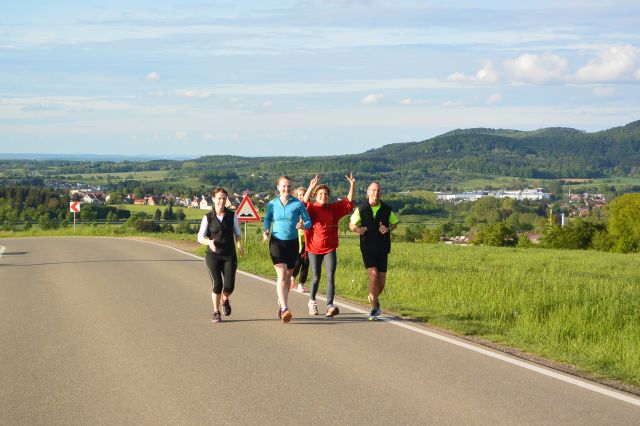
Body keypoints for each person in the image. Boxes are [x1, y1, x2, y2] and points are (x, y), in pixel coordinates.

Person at [303, 173, 355, 317]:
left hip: (330, 248)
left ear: (328, 196)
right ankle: (312, 302)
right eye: (320, 194)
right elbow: (303, 203)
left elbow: (348, 202)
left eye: (325, 194)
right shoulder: (311, 209)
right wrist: (311, 187)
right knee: (316, 276)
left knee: (330, 275)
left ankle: (329, 306)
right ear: (315, 196)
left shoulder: (333, 209)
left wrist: (352, 185)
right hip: (313, 248)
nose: (323, 196)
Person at [263, 176, 312, 323]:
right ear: (278, 187)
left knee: (289, 277)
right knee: (282, 275)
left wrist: (303, 225)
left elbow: (309, 222)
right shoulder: (272, 204)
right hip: (276, 242)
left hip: (292, 244)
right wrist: (266, 229)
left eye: (289, 186)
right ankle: (285, 308)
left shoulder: (298, 204)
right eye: (284, 186)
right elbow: (267, 218)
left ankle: (282, 302)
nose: (286, 189)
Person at [349, 182, 398, 321]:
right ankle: (373, 309)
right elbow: (351, 224)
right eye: (373, 190)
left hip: (383, 248)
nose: (376, 193)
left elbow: (394, 223)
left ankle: (373, 298)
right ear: (368, 192)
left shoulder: (387, 209)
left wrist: (388, 228)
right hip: (367, 247)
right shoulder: (361, 209)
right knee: (374, 276)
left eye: (378, 191)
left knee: (381, 283)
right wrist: (358, 229)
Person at [197, 187, 245, 323]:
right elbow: (200, 237)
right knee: (217, 284)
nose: (222, 201)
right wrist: (209, 242)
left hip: (229, 255)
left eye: (224, 198)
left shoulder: (232, 216)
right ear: (213, 199)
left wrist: (239, 245)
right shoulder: (208, 217)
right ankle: (216, 312)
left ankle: (225, 299)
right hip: (213, 255)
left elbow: (237, 232)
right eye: (219, 198)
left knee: (229, 286)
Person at [290, 187, 310, 294]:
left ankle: (301, 284)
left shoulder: (309, 207)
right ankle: (292, 279)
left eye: (304, 194)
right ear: (296, 197)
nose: (302, 197)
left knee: (306, 262)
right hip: (296, 238)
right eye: (300, 195)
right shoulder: (294, 208)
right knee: (297, 261)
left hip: (308, 238)